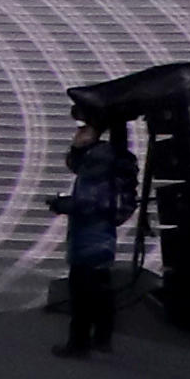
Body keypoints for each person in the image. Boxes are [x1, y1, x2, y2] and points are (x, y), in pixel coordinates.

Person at [49, 124, 132, 357]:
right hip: (101, 240)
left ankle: (79, 343)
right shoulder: (103, 162)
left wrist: (62, 205)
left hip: (89, 239)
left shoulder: (95, 166)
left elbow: (89, 203)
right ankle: (102, 338)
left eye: (79, 136)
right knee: (100, 289)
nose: (75, 140)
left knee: (82, 294)